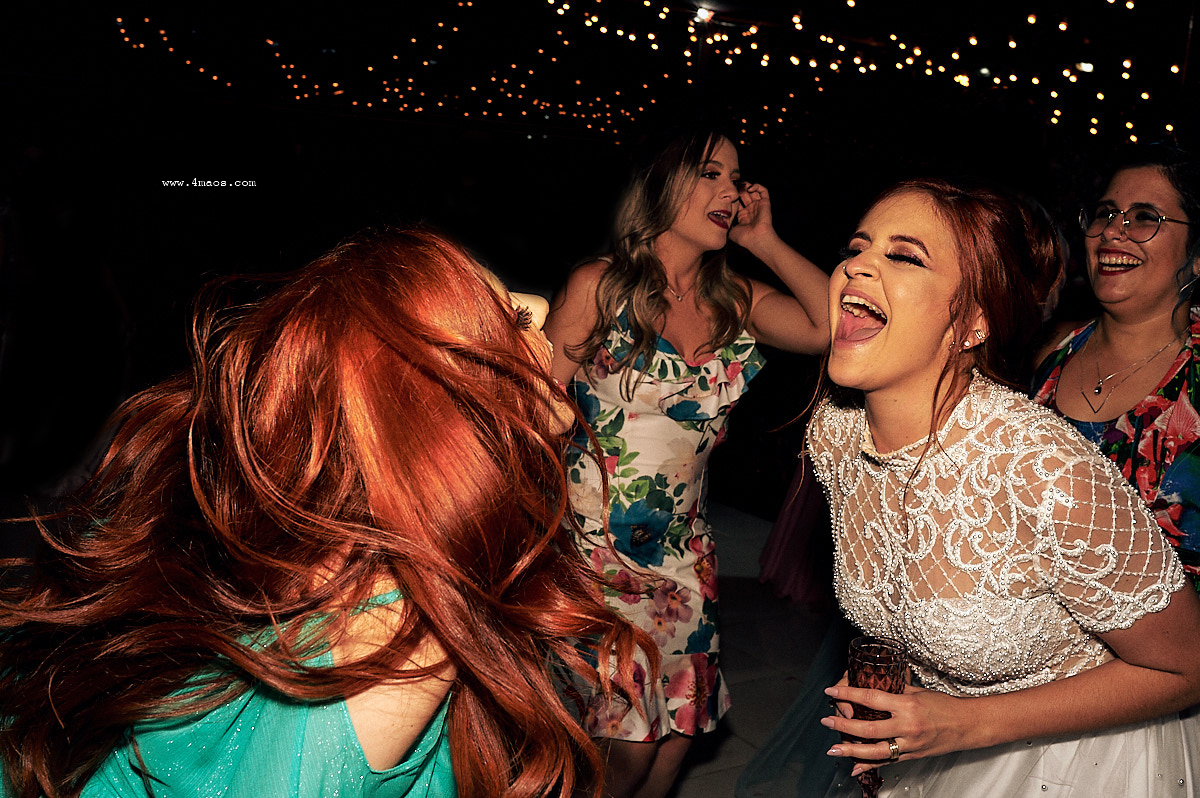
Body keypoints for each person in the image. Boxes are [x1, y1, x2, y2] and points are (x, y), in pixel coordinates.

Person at [0, 226, 654, 798]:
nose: (538, 305)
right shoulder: (402, 623)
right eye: (506, 319)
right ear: (437, 418)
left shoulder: (383, 551)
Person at [808, 178, 1200, 796]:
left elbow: (1187, 668)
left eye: (903, 255)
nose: (856, 266)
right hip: (931, 749)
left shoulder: (1044, 471)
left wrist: (962, 723)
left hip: (1079, 762)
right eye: (856, 248)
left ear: (971, 322)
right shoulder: (833, 436)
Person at [544, 131, 831, 798]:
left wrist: (764, 242)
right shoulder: (601, 287)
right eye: (711, 174)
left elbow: (825, 326)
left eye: (737, 177)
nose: (731, 191)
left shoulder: (736, 301)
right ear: (661, 185)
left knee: (677, 738)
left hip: (684, 562)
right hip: (596, 559)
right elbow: (531, 408)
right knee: (626, 750)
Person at [1032, 141, 1200, 593]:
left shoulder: (1195, 387)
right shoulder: (1047, 352)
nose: (1111, 232)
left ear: (1197, 255)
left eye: (1145, 217)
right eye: (1106, 213)